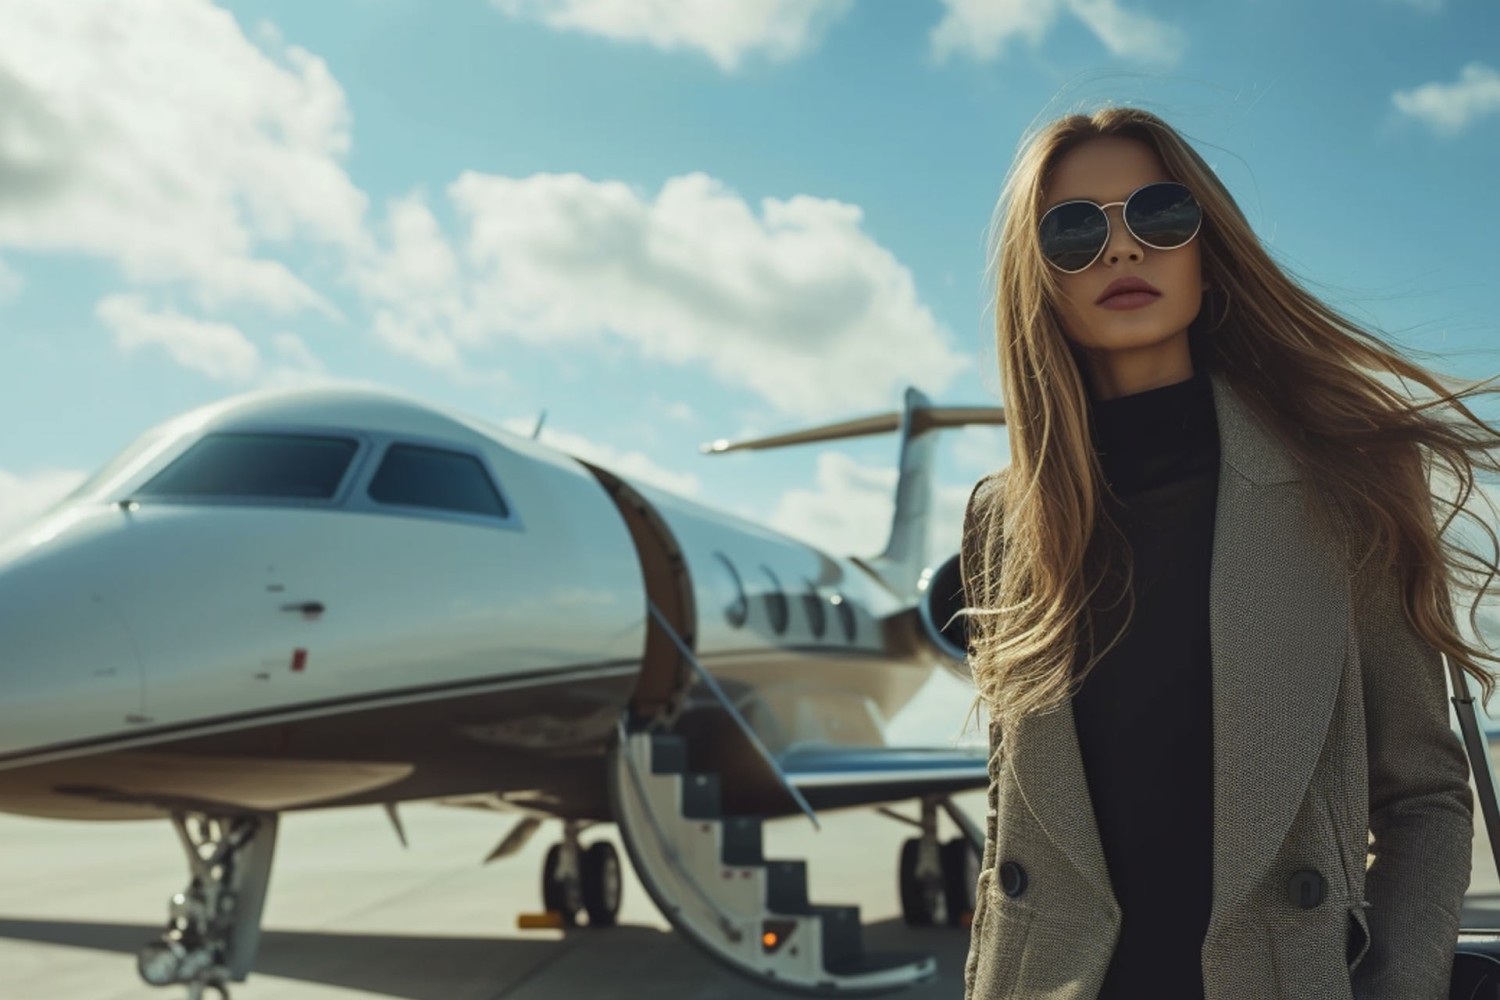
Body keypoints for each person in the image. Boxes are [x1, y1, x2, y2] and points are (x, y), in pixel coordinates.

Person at [956, 106, 1500, 1000]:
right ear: (1036, 277)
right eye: (1075, 230)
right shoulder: (1002, 520)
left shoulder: (1347, 483)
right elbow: (1015, 823)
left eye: (1160, 216)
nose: (1123, 251)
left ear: (1209, 252)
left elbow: (1422, 796)